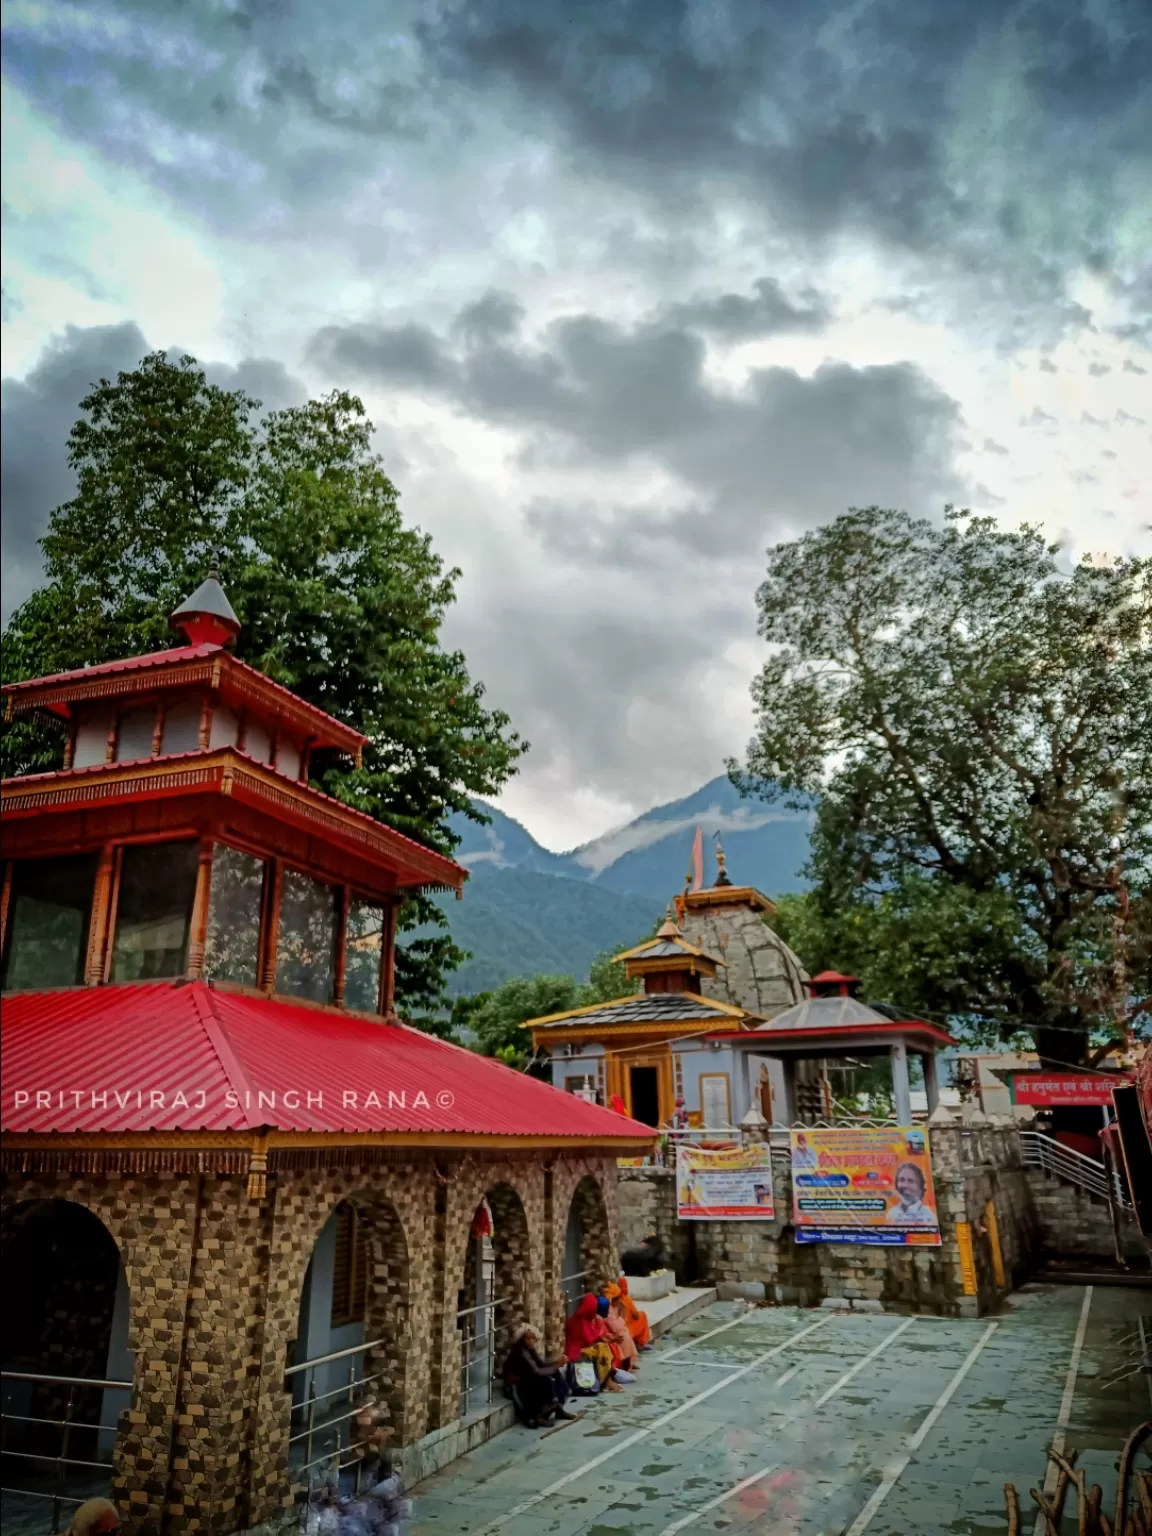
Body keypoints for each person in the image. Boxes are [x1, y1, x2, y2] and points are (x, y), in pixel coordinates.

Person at [502, 1322, 577, 1427]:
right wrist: (556, 1365)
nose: (530, 1341)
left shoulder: (530, 1349)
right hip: (516, 1383)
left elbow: (541, 1364)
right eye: (527, 1338)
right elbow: (535, 1371)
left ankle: (558, 1407)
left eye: (532, 1338)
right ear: (521, 1339)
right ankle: (543, 1414)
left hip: (528, 1377)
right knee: (546, 1380)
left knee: (555, 1373)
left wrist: (557, 1363)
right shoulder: (520, 1351)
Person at [564, 1293, 622, 1392]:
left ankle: (608, 1377)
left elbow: (594, 1338)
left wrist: (611, 1339)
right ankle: (606, 1382)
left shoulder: (585, 1319)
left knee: (602, 1347)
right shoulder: (580, 1320)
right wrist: (601, 1329)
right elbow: (590, 1340)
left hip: (582, 1349)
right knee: (601, 1348)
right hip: (576, 1353)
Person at [603, 1295, 640, 1376]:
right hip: (611, 1333)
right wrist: (622, 1311)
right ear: (613, 1301)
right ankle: (624, 1365)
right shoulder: (609, 1309)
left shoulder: (618, 1305)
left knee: (626, 1333)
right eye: (618, 1299)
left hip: (619, 1329)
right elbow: (616, 1327)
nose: (621, 1301)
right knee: (624, 1335)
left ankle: (629, 1363)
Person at [613, 1277, 652, 1349]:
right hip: (625, 1331)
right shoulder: (626, 1299)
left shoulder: (612, 1300)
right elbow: (636, 1316)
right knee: (642, 1315)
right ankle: (642, 1342)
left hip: (616, 1331)